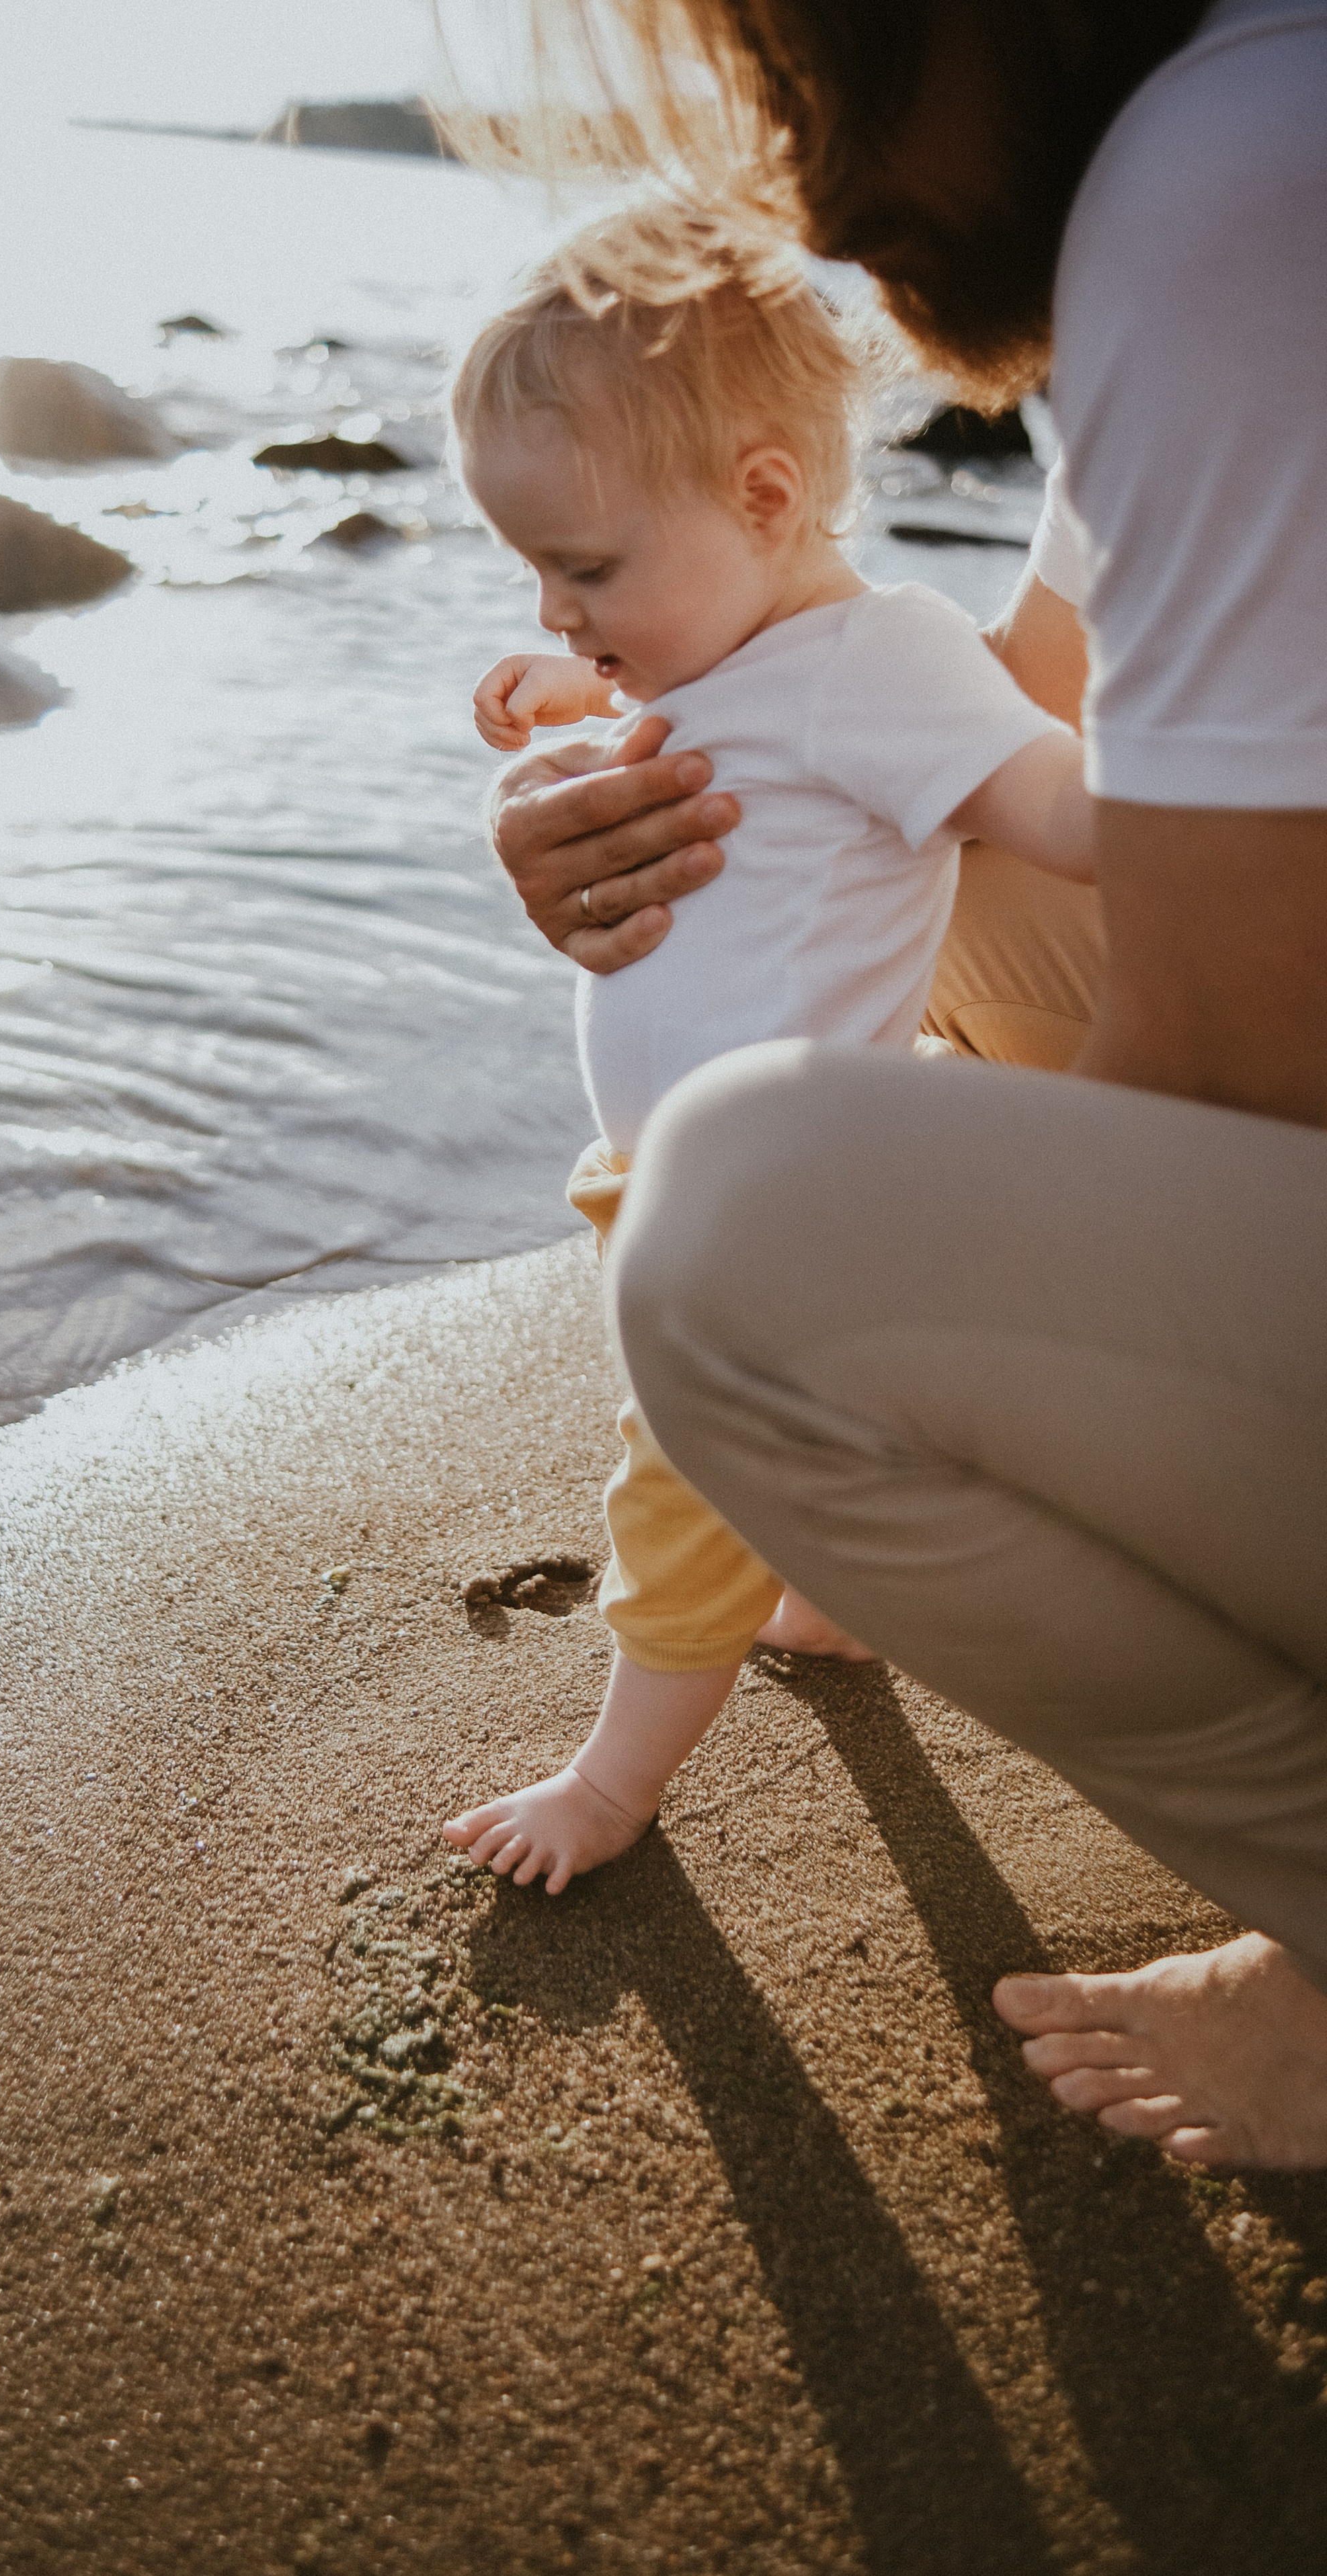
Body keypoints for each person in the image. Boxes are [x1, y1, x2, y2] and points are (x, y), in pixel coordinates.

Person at [475, 0, 1327, 2168]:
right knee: (819, 1137)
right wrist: (602, 761)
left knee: (739, 1254)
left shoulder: (1236, 167)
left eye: (799, 50)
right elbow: (1034, 725)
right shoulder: (1250, 132)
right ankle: (841, 1501)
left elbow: (1122, 894)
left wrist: (930, 1396)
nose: (819, 186)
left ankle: (651, 1734)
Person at [441, 207, 1093, 1895]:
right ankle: (834, 1593)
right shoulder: (737, 647)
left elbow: (1053, 811)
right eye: (535, 570)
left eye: (584, 570)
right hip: (679, 1173)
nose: (558, 604)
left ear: (761, 498)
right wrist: (560, 687)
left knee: (681, 1481)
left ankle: (609, 1785)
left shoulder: (882, 664)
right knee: (800, 1432)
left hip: (772, 1199)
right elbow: (710, 721)